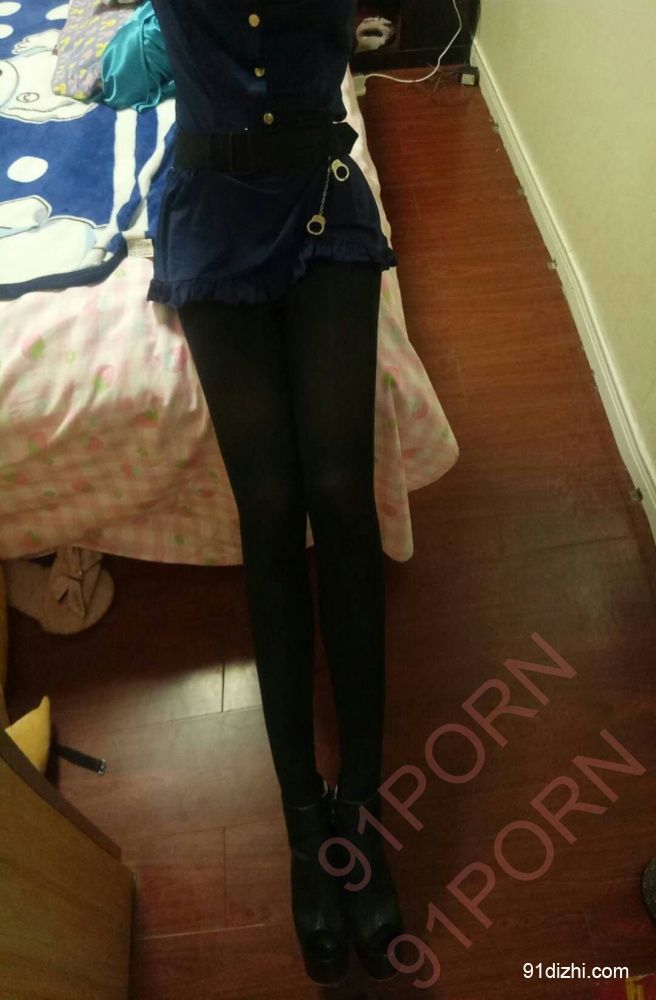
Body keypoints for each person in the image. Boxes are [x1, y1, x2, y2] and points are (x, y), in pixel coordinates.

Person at [148, 0, 404, 984]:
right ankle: (306, 826)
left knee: (340, 491)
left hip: (320, 192)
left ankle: (361, 806)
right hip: (209, 207)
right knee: (267, 506)